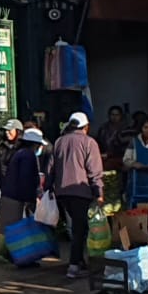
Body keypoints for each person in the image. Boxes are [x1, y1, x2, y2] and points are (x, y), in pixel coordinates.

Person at [49, 111, 103, 279]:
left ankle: (78, 261)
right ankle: (74, 266)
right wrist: (99, 192)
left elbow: (50, 168)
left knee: (75, 227)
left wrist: (49, 189)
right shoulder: (89, 142)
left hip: (62, 192)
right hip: (80, 192)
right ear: (86, 127)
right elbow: (95, 171)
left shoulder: (59, 142)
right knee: (80, 229)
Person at [0, 127, 45, 253]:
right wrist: (31, 199)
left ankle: (7, 253)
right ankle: (20, 257)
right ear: (35, 144)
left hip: (10, 195)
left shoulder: (19, 153)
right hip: (18, 198)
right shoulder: (28, 156)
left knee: (11, 229)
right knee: (21, 231)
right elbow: (26, 179)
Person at [0, 119, 23, 259]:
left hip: (18, 190)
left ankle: (17, 251)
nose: (8, 133)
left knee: (18, 222)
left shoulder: (22, 149)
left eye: (11, 130)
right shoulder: (0, 147)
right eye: (6, 130)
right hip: (3, 188)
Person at [122, 119, 148, 208]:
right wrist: (134, 164)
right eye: (145, 127)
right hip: (136, 183)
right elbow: (126, 160)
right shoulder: (134, 142)